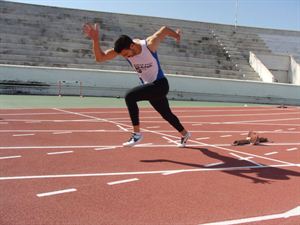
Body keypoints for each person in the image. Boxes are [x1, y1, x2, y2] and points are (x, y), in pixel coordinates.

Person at [83, 23, 191, 147]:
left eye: (126, 54)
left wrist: (176, 35)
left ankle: (137, 135)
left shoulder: (150, 44)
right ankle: (185, 134)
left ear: (132, 45)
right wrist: (95, 40)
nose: (125, 57)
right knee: (167, 115)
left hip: (160, 84)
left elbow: (164, 30)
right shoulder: (122, 50)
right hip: (150, 87)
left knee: (130, 96)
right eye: (123, 56)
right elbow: (100, 58)